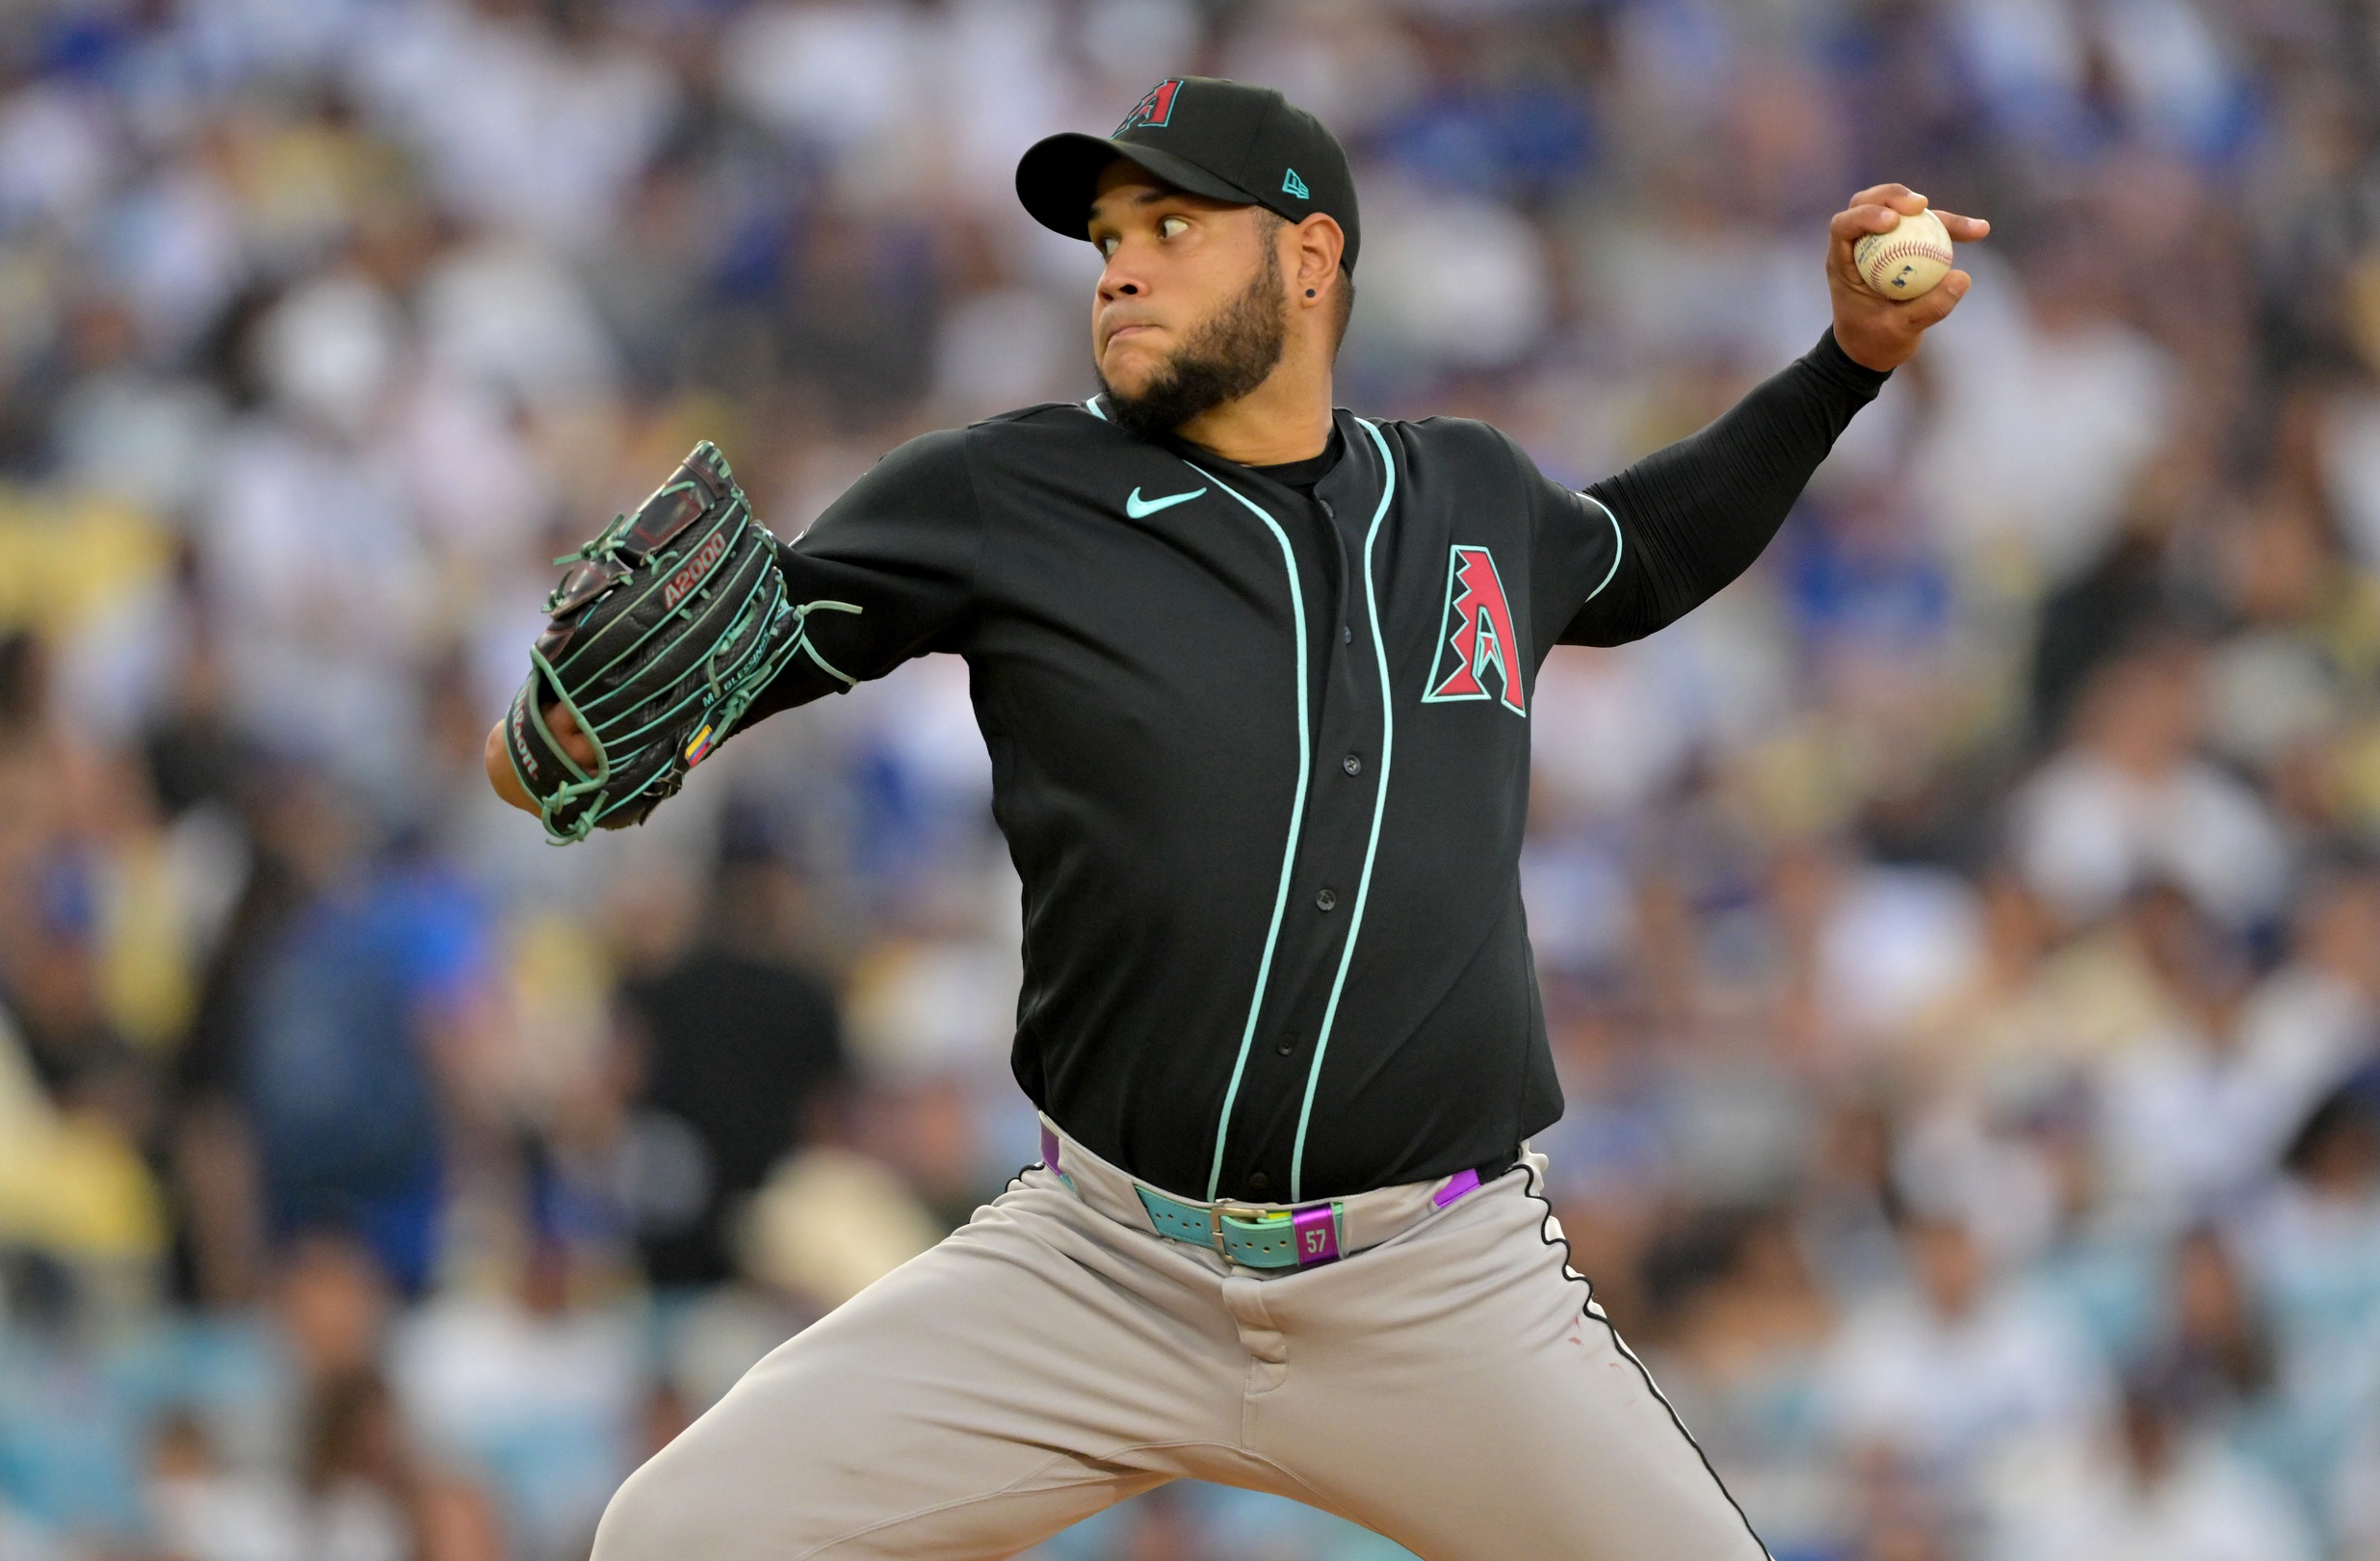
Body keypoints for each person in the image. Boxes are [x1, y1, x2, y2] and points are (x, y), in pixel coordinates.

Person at [488, 76, 1983, 1561]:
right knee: (678, 1533)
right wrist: (543, 733)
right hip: (1098, 1268)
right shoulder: (1011, 493)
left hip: (1436, 1284)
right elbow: (697, 678)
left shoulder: (1466, 494)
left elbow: (1646, 547)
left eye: (1172, 223)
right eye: (1105, 238)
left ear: (1309, 259)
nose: (1120, 264)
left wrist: (1843, 365)